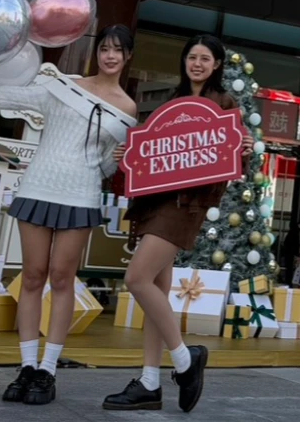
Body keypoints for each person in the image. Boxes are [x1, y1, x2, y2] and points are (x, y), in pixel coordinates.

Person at [0, 25, 137, 406]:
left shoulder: (127, 107)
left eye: (118, 51)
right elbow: (19, 95)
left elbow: (105, 164)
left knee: (63, 279)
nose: (110, 56)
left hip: (80, 194)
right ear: (97, 53)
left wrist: (117, 161)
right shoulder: (65, 85)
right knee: (31, 276)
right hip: (37, 187)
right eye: (105, 49)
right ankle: (27, 365)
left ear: (127, 57)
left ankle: (48, 369)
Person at [101, 35, 252, 414]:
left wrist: (245, 151)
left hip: (185, 205)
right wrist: (128, 155)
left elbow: (232, 160)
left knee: (136, 279)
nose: (197, 63)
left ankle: (186, 360)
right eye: (191, 57)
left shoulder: (224, 104)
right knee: (154, 291)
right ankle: (150, 383)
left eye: (205, 58)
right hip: (156, 202)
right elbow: (151, 152)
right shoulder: (171, 102)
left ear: (217, 64)